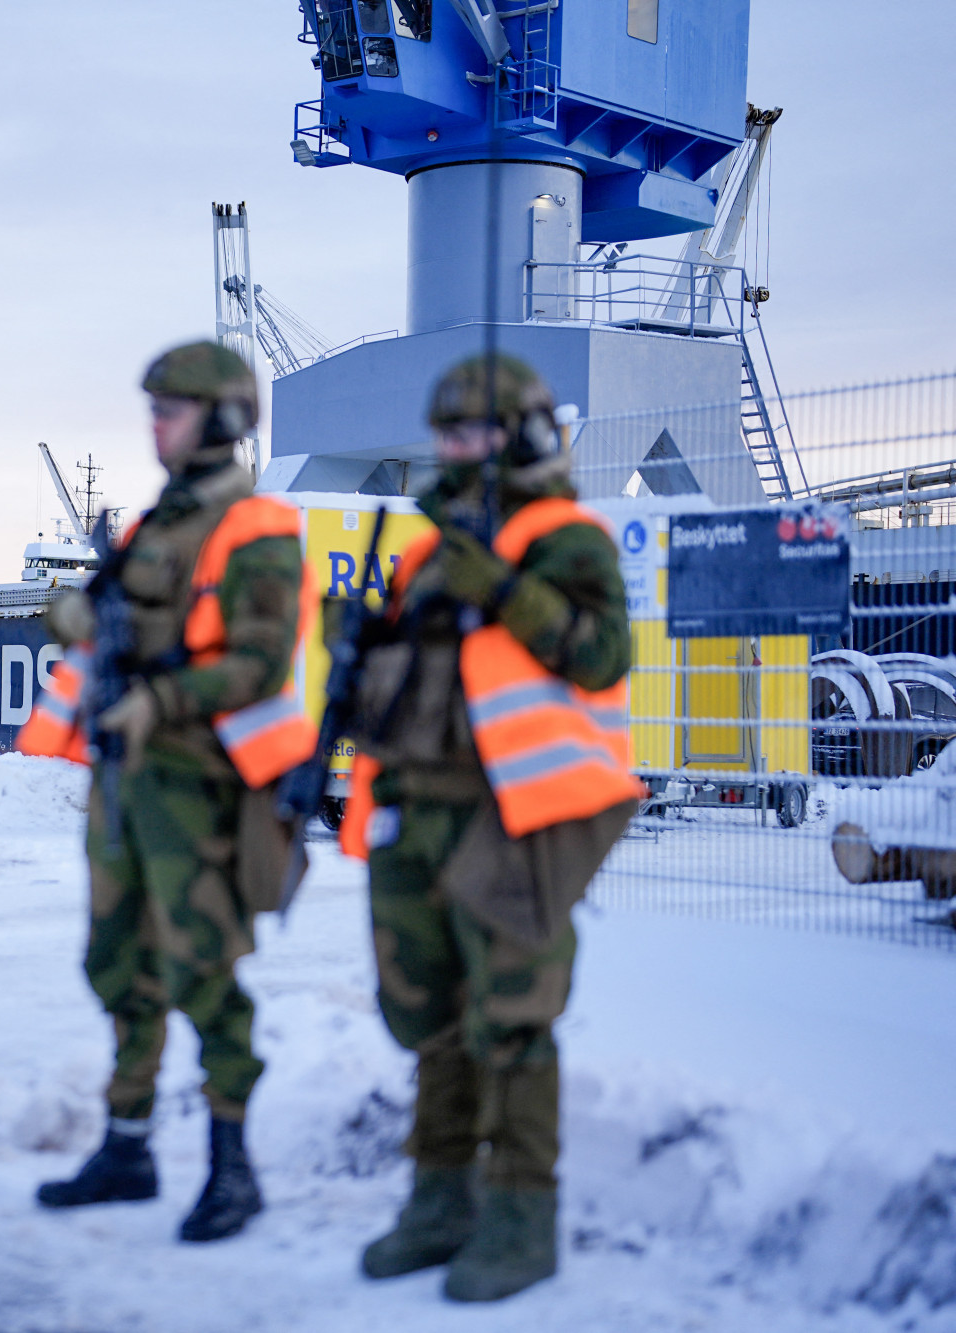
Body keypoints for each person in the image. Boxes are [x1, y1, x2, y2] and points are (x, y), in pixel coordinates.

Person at [338, 354, 639, 1301]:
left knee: (511, 1017)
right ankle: (439, 1200)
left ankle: (520, 1217)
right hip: (418, 807)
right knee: (430, 1017)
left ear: (524, 434)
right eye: (445, 431)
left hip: (511, 813)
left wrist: (506, 589)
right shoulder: (428, 549)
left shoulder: (566, 538)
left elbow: (601, 654)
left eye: (471, 430)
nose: (453, 448)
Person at [16, 341, 318, 1243]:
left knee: (203, 972)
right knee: (119, 964)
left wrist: (161, 700)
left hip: (200, 787)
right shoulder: (155, 525)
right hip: (125, 782)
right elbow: (106, 615)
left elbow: (261, 662)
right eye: (152, 408)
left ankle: (233, 1166)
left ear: (222, 417)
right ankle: (128, 1146)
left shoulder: (256, 527)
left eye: (171, 409)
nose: (155, 424)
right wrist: (73, 612)